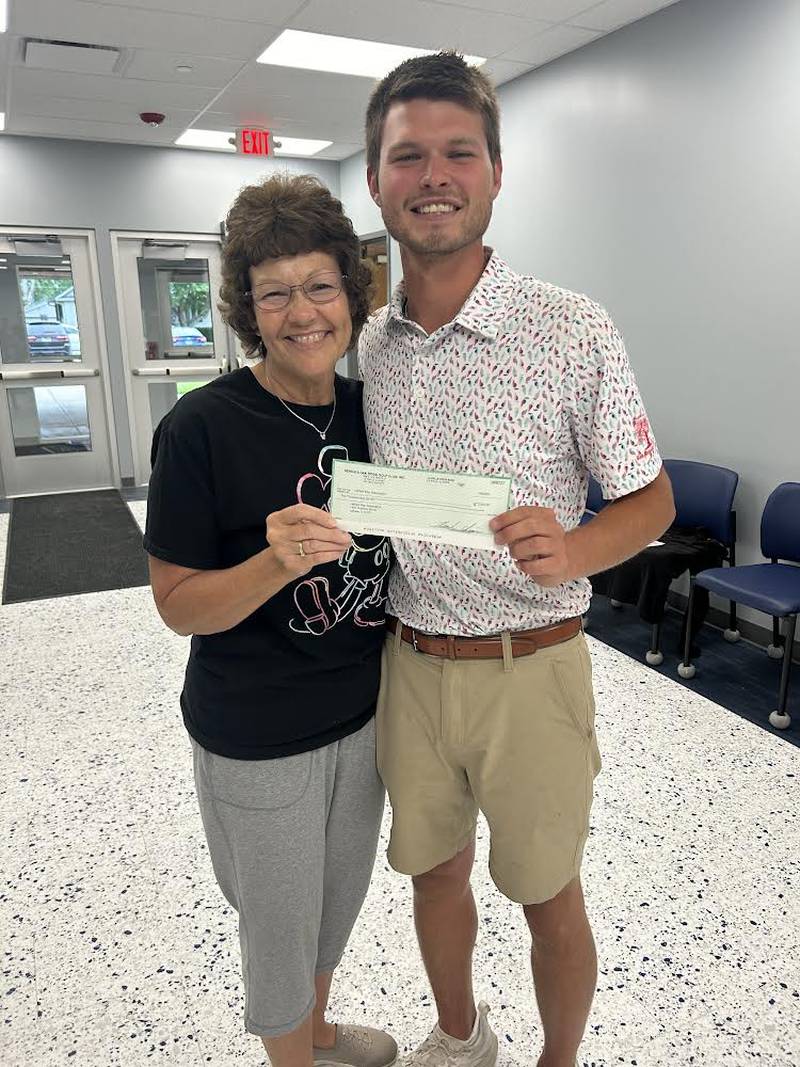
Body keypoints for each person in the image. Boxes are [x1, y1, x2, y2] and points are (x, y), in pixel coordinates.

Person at [359, 52, 676, 1067]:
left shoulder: (570, 329)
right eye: (407, 155)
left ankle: (557, 1058)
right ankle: (459, 1036)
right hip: (409, 665)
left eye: (458, 151)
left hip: (529, 666)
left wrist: (577, 545)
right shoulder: (366, 344)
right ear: (375, 180)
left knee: (547, 892)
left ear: (496, 172)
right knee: (432, 874)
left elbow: (651, 498)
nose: (433, 174)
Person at [144, 173, 397, 1067]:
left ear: (351, 293)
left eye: (321, 285)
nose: (303, 312)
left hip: (363, 716)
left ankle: (320, 1035)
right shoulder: (202, 427)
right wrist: (271, 561)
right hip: (258, 732)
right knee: (279, 934)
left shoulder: (374, 412)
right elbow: (176, 604)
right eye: (275, 292)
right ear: (249, 308)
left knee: (332, 907)